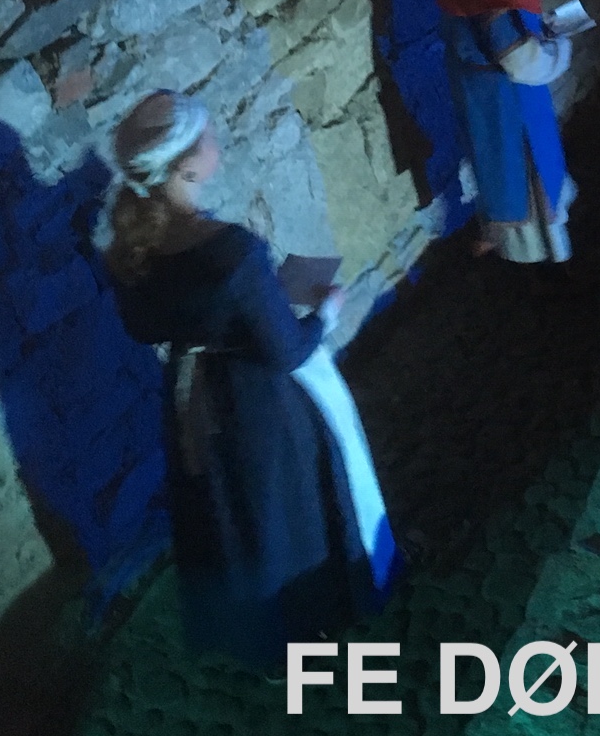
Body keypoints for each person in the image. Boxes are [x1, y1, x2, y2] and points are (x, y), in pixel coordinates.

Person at [106, 90, 398, 667]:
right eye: (208, 138)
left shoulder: (133, 251)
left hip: (190, 399)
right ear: (187, 165)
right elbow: (287, 351)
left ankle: (255, 638)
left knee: (224, 512)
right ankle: (309, 625)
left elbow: (142, 328)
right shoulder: (232, 251)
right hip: (254, 401)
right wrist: (326, 313)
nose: (217, 143)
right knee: (283, 512)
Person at [433, 0, 577, 264]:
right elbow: (522, 63)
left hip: (478, 89)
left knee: (494, 165)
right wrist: (559, 46)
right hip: (507, 100)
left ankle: (501, 234)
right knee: (524, 176)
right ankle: (539, 258)